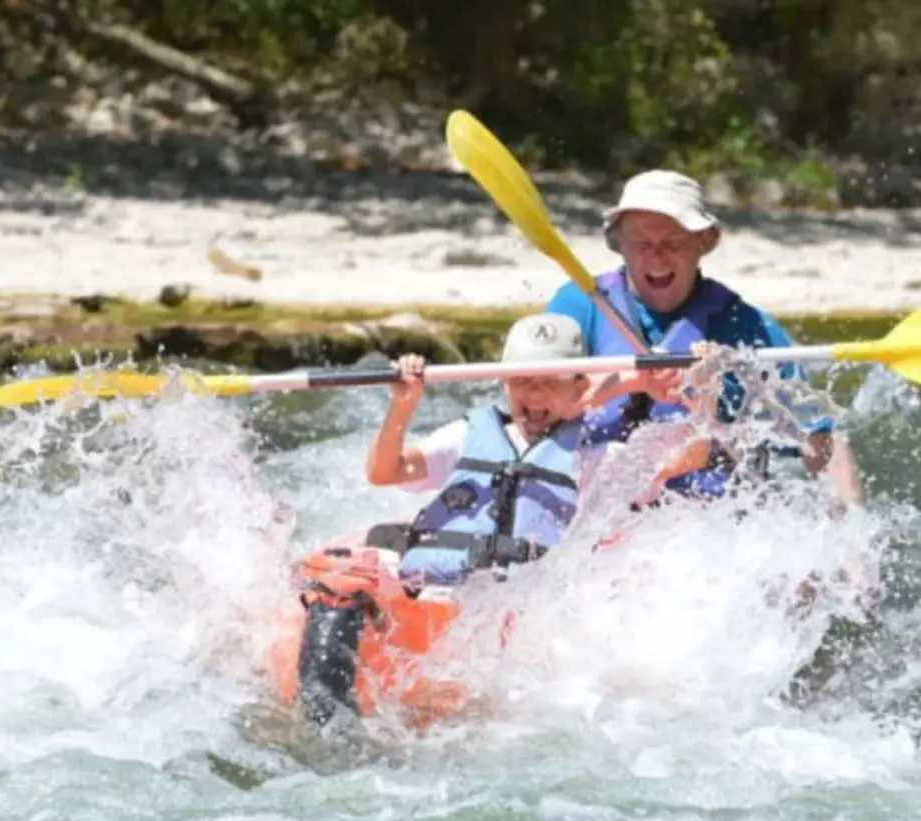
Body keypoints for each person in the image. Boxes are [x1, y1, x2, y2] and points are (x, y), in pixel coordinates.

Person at [546, 169, 865, 509]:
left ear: (703, 243)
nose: (656, 257)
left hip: (701, 517)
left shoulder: (749, 328)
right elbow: (532, 405)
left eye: (673, 243)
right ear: (619, 245)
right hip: (599, 506)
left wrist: (854, 549)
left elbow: (822, 441)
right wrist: (629, 381)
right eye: (642, 244)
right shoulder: (580, 307)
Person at [364, 312, 691, 590]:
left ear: (580, 387)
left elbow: (692, 452)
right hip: (437, 592)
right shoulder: (467, 436)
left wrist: (693, 386)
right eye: (521, 379)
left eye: (550, 381)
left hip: (521, 610)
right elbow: (385, 472)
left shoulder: (596, 461)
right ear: (503, 382)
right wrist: (402, 407)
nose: (534, 392)